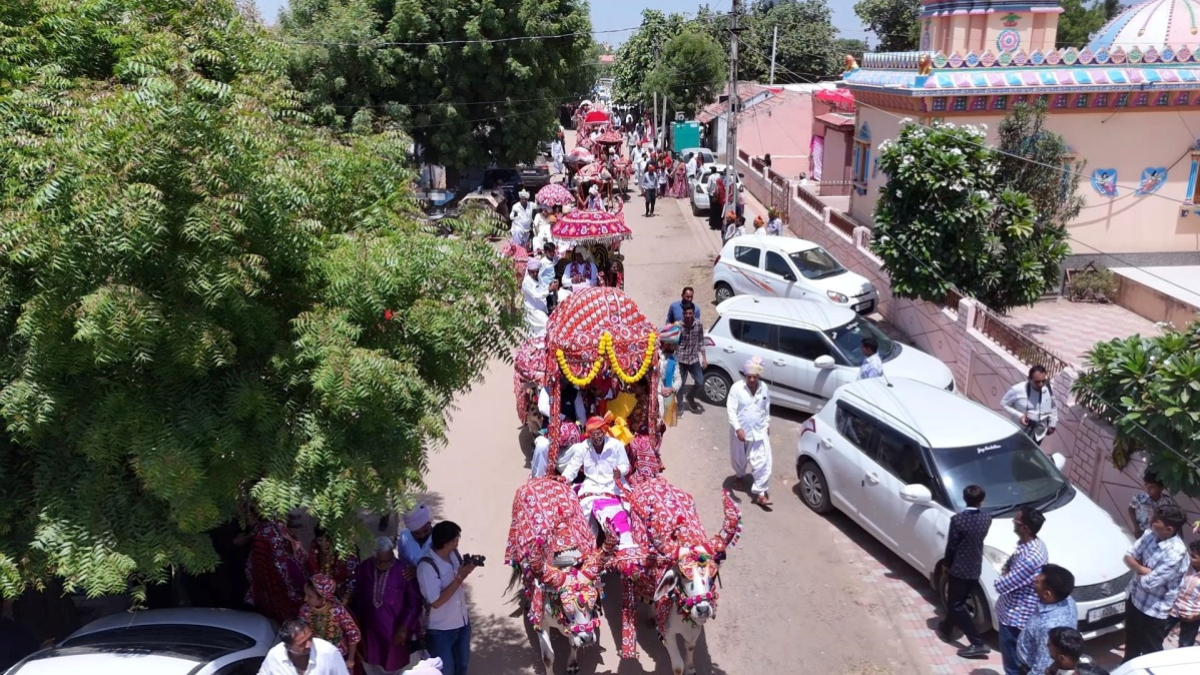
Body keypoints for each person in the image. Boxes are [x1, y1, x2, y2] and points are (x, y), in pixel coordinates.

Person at [1123, 503, 1191, 662]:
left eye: (1156, 520)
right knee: (1131, 643)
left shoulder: (1176, 553)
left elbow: (1149, 583)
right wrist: (1143, 569)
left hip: (1153, 611)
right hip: (1134, 599)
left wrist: (1138, 567)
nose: (1150, 522)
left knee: (1150, 653)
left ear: (1169, 529)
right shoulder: (1149, 534)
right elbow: (1128, 556)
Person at [560, 415, 636, 549]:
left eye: (599, 434)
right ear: (589, 435)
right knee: (583, 513)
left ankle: (625, 544)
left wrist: (620, 471)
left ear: (604, 432)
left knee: (621, 512)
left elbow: (625, 465)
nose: (596, 438)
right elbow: (572, 467)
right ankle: (587, 547)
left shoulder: (616, 445)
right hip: (592, 486)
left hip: (613, 486)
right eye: (593, 435)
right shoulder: (583, 448)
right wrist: (564, 479)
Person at [354, 537, 423, 675]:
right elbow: (357, 598)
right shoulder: (364, 568)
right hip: (370, 632)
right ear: (374, 558)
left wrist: (405, 627)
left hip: (395, 631)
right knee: (371, 662)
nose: (386, 565)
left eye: (389, 560)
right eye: (381, 562)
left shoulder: (403, 571)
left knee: (396, 663)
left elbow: (414, 602)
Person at [938, 485, 992, 658]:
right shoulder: (986, 519)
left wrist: (947, 564)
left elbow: (952, 546)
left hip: (959, 568)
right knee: (958, 600)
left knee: (956, 603)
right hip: (975, 566)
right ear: (981, 501)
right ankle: (947, 628)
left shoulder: (958, 520)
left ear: (964, 498)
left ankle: (977, 642)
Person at [995, 506, 1049, 675]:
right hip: (1016, 613)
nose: (1013, 523)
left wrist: (1005, 574)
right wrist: (1007, 571)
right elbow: (1008, 567)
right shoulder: (1032, 544)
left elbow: (1001, 585)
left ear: (1024, 528)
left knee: (1013, 666)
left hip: (1015, 618)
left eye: (1016, 521)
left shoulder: (1030, 557)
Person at [417, 522, 475, 675]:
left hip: (462, 622)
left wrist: (467, 568)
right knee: (445, 670)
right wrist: (460, 577)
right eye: (456, 540)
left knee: (462, 665)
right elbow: (436, 602)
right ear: (448, 543)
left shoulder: (453, 554)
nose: (458, 543)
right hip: (441, 630)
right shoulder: (426, 567)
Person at [244, 510, 308, 625]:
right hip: (291, 614)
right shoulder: (288, 563)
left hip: (266, 615)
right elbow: (305, 585)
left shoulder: (253, 562)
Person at [727, 356, 772, 508]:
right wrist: (738, 428)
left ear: (759, 376)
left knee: (762, 462)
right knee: (739, 459)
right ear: (745, 376)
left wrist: (767, 424)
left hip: (759, 431)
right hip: (741, 432)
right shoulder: (736, 388)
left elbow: (766, 408)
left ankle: (760, 493)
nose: (752, 379)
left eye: (755, 376)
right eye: (749, 376)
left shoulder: (764, 388)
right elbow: (731, 410)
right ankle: (739, 477)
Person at [1016, 564, 1077, 675]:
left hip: (1028, 669)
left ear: (1047, 594)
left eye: (1038, 582)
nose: (1035, 579)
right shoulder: (1067, 599)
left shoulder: (1049, 627)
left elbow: (1042, 667)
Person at [300, 574, 361, 671]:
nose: (305, 599)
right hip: (317, 656)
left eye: (309, 596)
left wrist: (350, 662)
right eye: (305, 595)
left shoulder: (338, 610)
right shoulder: (305, 610)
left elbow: (353, 635)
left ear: (323, 597)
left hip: (339, 656)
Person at [258, 618, 349, 675]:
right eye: (302, 644)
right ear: (288, 647)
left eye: (310, 638)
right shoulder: (275, 655)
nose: (309, 645)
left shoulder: (329, 653)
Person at [1001, 365, 1058, 445]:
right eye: (1037, 382)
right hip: (1019, 431)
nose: (1041, 384)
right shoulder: (1017, 389)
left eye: (1043, 380)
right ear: (1029, 379)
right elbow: (1004, 403)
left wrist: (1052, 424)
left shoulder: (1047, 389)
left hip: (1038, 434)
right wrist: (1020, 416)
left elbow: (1053, 406)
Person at [306, 528, 358, 604]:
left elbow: (353, 578)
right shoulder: (315, 548)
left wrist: (345, 598)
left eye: (328, 540)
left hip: (342, 593)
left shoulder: (346, 553)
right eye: (320, 540)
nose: (323, 545)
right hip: (320, 593)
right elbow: (313, 571)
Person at [1166, 540, 1200, 648]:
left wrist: (1196, 616)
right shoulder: (1184, 567)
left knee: (1185, 645)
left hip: (1192, 615)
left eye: (1194, 557)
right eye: (1190, 555)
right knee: (1156, 635)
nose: (1190, 558)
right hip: (1172, 610)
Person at [674, 302, 706, 414]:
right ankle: (680, 406)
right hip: (681, 359)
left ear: (693, 313)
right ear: (683, 314)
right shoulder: (678, 326)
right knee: (680, 385)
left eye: (690, 313)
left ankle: (690, 396)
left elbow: (701, 341)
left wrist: (704, 358)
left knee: (700, 382)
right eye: (686, 313)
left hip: (693, 359)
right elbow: (673, 342)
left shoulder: (698, 325)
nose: (688, 315)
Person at [1128, 470, 1177, 535]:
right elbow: (1131, 509)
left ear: (1161, 488)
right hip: (1141, 532)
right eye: (1146, 485)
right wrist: (1136, 527)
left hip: (1158, 534)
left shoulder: (1168, 502)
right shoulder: (1139, 498)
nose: (1147, 489)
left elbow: (1173, 520)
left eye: (1152, 487)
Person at [658, 325, 682, 429]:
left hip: (665, 397)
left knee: (662, 426)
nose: (676, 348)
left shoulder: (673, 359)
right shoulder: (654, 355)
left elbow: (678, 379)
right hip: (652, 396)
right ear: (667, 344)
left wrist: (672, 388)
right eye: (674, 345)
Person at [521, 258, 550, 336]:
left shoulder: (539, 278)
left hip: (542, 310)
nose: (535, 274)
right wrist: (549, 290)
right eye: (533, 272)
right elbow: (536, 296)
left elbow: (543, 288)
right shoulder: (526, 282)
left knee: (542, 332)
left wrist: (550, 286)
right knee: (546, 326)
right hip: (534, 312)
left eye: (537, 271)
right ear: (529, 271)